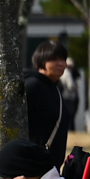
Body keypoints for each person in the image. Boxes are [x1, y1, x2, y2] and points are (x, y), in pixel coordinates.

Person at [25, 39, 73, 169]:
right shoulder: (33, 85)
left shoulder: (53, 87)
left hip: (49, 165)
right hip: (34, 165)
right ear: (41, 61)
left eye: (63, 59)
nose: (61, 64)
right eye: (54, 59)